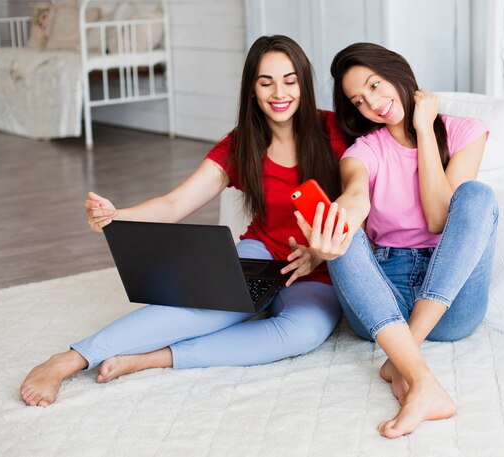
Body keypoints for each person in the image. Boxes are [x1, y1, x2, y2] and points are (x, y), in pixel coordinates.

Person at [20, 35, 348, 407]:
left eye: (290, 80)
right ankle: (68, 360)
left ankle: (152, 359)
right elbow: (174, 204)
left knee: (302, 335)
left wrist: (320, 252)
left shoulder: (335, 131)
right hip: (263, 254)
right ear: (252, 89)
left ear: (304, 82)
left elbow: (365, 207)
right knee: (205, 308)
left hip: (321, 268)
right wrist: (115, 216)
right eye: (265, 81)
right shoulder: (240, 144)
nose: (279, 92)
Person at [295, 43, 498, 438]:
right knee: (343, 228)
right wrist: (338, 221)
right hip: (380, 303)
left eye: (375, 84)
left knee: (478, 196)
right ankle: (421, 379)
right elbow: (355, 195)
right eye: (359, 100)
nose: (373, 102)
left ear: (397, 72)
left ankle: (401, 357)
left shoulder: (464, 132)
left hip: (449, 303)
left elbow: (440, 217)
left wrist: (424, 128)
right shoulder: (363, 150)